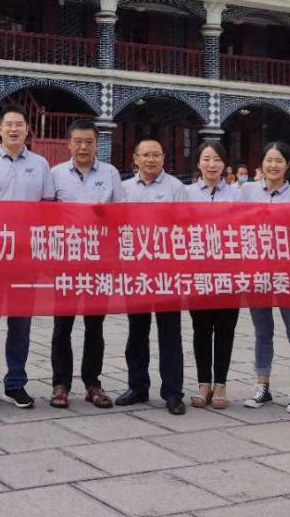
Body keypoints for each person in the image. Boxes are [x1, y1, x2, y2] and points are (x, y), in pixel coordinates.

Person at [0, 107, 55, 410]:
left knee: (21, 324)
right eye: (9, 124)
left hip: (25, 257)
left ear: (27, 129)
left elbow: (48, 208)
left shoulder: (41, 164)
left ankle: (16, 383)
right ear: (0, 130)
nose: (14, 129)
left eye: (19, 124)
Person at [48, 119, 123, 410]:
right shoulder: (55, 174)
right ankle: (61, 384)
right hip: (65, 262)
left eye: (89, 142)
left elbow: (122, 214)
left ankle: (93, 383)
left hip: (99, 262)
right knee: (62, 326)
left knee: (95, 326)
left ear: (96, 145)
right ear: (68, 144)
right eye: (78, 142)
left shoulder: (110, 173)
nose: (83, 147)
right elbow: (44, 215)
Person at [117, 137, 188, 415]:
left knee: (170, 333)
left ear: (163, 158)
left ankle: (173, 392)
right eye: (145, 155)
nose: (151, 159)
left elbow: (185, 226)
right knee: (137, 331)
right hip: (135, 271)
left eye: (156, 155)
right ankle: (137, 386)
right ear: (135, 159)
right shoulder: (123, 189)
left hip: (167, 271)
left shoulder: (175, 187)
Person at [242, 142, 290, 414]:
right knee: (262, 331)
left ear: (287, 165)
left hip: (288, 274)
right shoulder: (247, 192)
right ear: (261, 164)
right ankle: (262, 385)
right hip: (257, 272)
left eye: (279, 160)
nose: (273, 165)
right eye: (269, 160)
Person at [185, 140, 242, 410]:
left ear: (224, 164)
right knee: (201, 329)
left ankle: (220, 384)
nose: (211, 164)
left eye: (217, 159)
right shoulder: (186, 194)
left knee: (225, 328)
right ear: (198, 163)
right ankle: (203, 383)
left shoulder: (237, 195)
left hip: (229, 272)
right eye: (206, 159)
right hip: (197, 272)